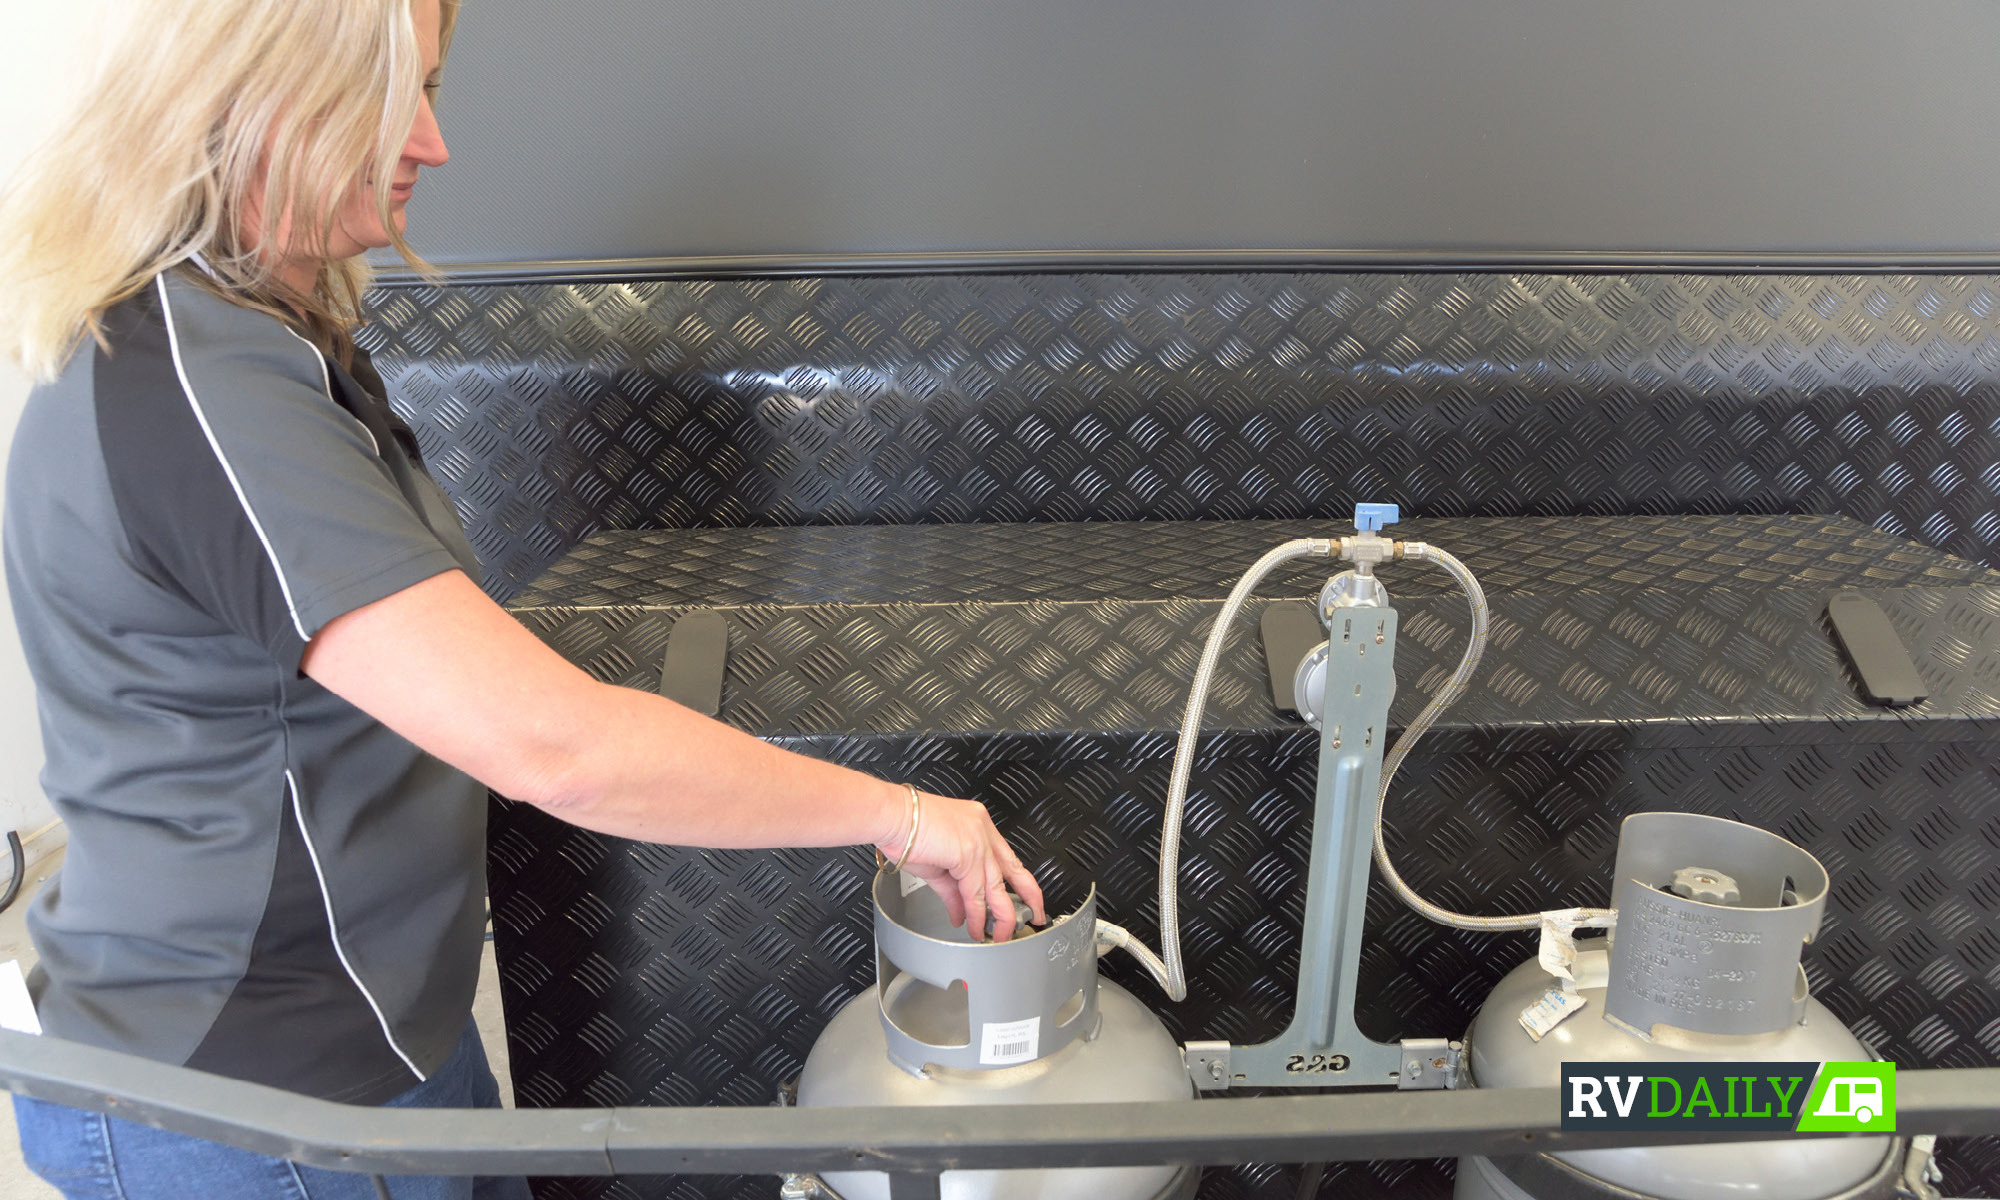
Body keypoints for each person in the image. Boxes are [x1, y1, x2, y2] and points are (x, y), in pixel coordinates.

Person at [0, 0, 1046, 1196]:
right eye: (391, 99)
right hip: (256, 1101)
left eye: (429, 93)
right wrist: (900, 816)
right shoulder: (200, 394)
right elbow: (557, 752)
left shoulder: (251, 338)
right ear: (256, 104)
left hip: (382, 1029)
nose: (430, 145)